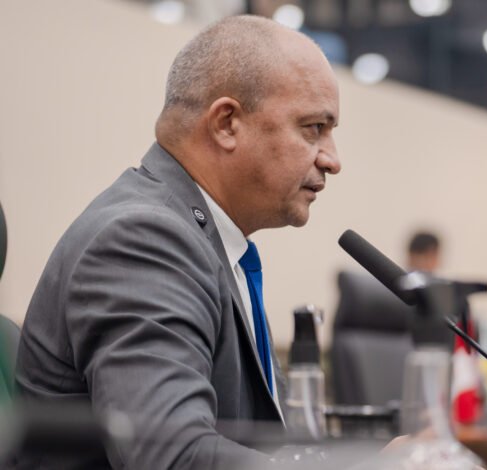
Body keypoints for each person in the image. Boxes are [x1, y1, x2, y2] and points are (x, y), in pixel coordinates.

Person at [13, 15, 340, 469]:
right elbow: (173, 456)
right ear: (226, 123)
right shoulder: (143, 240)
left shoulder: (210, 242)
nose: (332, 159)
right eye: (314, 128)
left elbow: (266, 442)